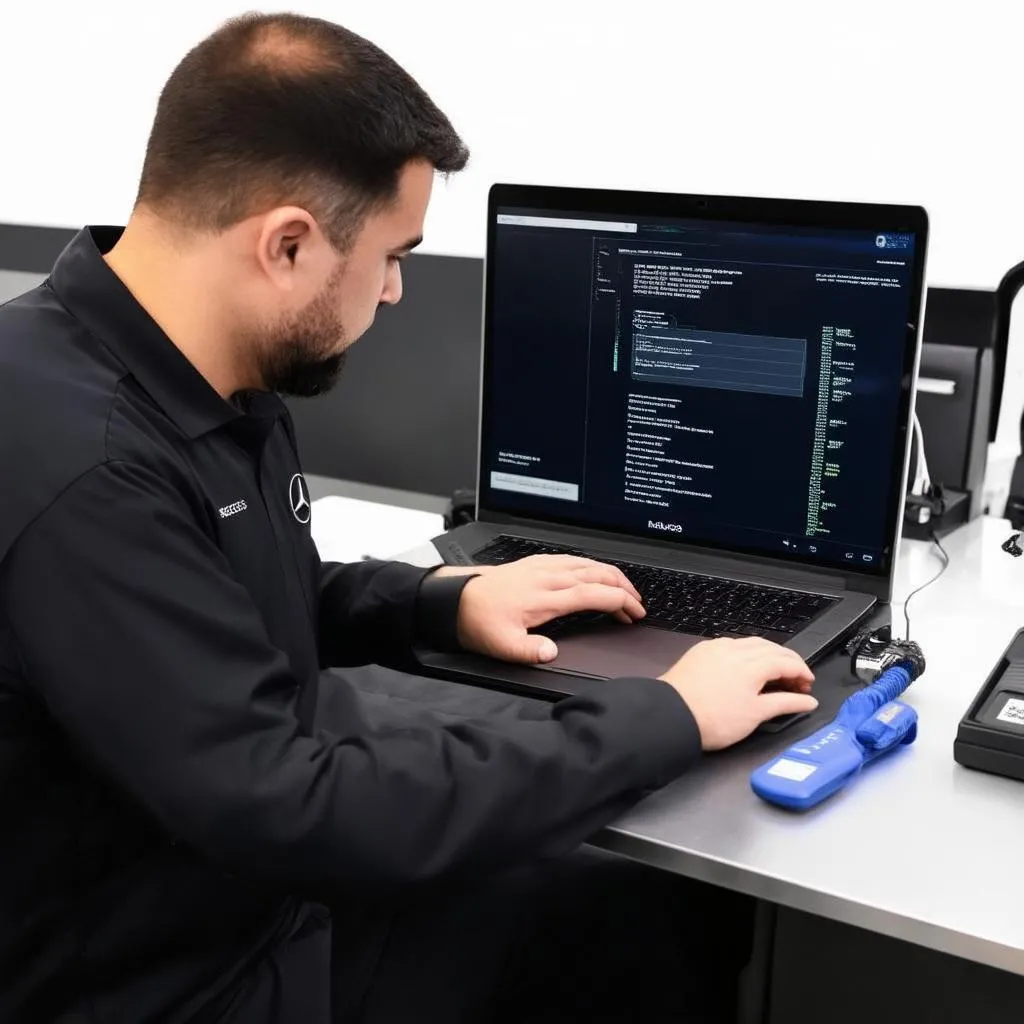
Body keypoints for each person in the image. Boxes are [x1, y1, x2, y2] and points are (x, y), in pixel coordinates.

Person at [0, 12, 818, 1023]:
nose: (394, 292)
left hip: (232, 896)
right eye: (393, 253)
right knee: (626, 919)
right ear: (287, 243)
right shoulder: (88, 470)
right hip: (188, 979)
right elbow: (297, 805)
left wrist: (438, 603)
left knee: (628, 901)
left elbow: (232, 594)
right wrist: (670, 713)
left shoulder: (189, 369)